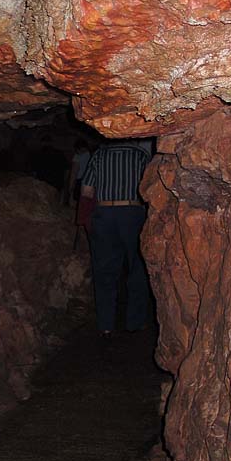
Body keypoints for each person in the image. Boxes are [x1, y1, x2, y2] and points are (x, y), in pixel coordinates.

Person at [81, 139, 153, 338]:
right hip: (133, 212)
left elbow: (86, 190)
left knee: (104, 270)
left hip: (104, 214)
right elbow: (150, 188)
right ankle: (135, 322)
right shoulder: (141, 155)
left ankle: (106, 324)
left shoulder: (99, 156)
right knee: (137, 267)